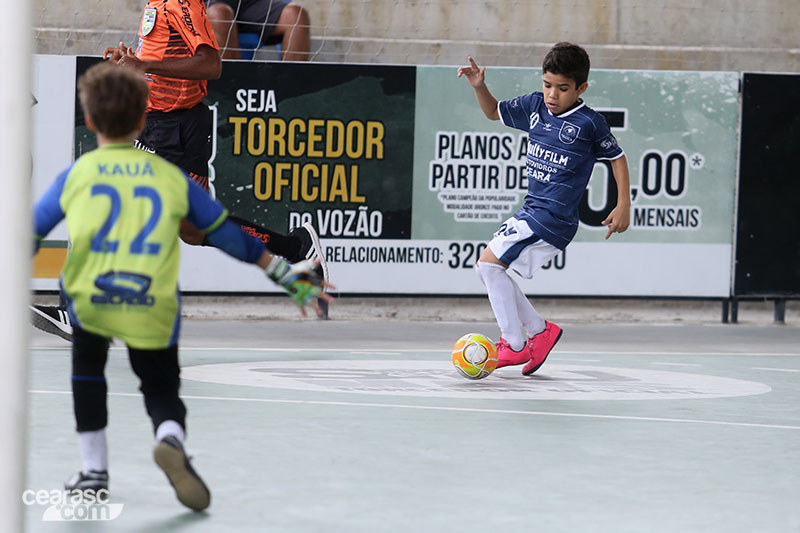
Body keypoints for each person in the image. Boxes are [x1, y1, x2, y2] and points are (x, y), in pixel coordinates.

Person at [33, 62, 331, 511]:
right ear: (141, 122)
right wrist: (291, 277)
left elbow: (27, 234)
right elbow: (231, 238)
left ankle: (93, 469)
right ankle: (170, 437)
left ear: (90, 121)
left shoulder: (77, 175)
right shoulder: (172, 179)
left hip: (90, 301)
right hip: (152, 302)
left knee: (87, 378)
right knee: (160, 387)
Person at [31, 0, 325, 341]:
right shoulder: (160, 2)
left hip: (169, 128)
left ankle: (77, 312)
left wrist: (143, 64)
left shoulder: (181, 3)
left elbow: (211, 64)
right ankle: (293, 248)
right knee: (194, 229)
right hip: (169, 125)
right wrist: (132, 59)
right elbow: (165, 52)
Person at [457, 42, 631, 375]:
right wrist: (481, 87)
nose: (552, 94)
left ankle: (515, 344)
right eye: (547, 84)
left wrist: (623, 203)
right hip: (532, 210)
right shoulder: (534, 106)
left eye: (563, 88)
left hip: (554, 217)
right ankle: (539, 332)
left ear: (581, 88)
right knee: (488, 268)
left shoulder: (588, 123)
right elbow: (493, 112)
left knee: (488, 265)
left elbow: (617, 158)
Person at [206, 0, 311, 61]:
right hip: (209, 4)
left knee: (296, 15)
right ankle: (232, 89)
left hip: (250, 4)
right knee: (219, 14)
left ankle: (291, 91)